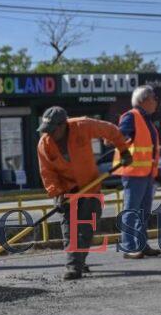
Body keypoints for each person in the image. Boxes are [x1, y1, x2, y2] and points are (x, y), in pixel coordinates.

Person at [37, 107, 130, 280]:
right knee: (70, 231)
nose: (49, 134)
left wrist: (123, 150)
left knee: (86, 230)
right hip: (66, 192)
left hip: (90, 187)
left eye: (52, 130)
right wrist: (57, 194)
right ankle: (74, 266)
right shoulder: (44, 144)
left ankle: (78, 260)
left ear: (63, 125)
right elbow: (47, 172)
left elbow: (111, 130)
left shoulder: (83, 126)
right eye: (46, 130)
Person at [115, 85, 161, 259]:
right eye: (154, 98)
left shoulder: (146, 119)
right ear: (144, 100)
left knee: (143, 211)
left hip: (146, 172)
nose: (156, 102)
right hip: (134, 172)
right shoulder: (131, 116)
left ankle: (141, 245)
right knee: (131, 210)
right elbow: (120, 136)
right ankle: (128, 247)